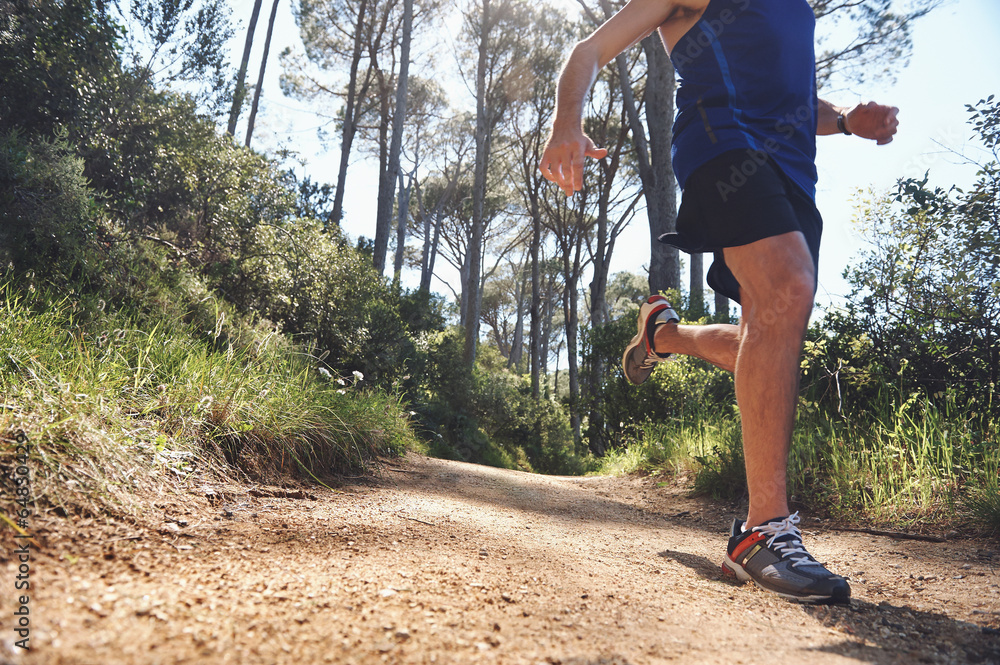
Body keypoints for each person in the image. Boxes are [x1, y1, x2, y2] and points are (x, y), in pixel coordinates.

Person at [539, 0, 898, 604]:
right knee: (789, 289)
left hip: (792, 171)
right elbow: (588, 52)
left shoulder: (799, 10)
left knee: (769, 336)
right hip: (720, 145)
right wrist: (564, 122)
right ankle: (763, 531)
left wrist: (844, 121)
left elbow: (793, 102)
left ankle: (664, 335)